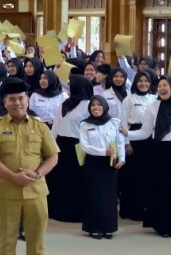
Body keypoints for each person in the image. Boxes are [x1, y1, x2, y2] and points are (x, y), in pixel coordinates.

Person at [0, 78, 59, 255]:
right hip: (7, 191)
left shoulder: (40, 127)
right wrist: (13, 176)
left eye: (20, 98)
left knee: (36, 238)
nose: (17, 103)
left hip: (36, 191)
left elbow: (53, 156)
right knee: (8, 238)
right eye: (12, 99)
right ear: (5, 102)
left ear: (27, 100)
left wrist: (38, 174)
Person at [127, 76, 171, 237]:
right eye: (159, 85)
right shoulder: (153, 107)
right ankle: (165, 226)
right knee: (164, 190)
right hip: (162, 151)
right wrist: (126, 134)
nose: (161, 88)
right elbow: (145, 132)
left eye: (165, 85)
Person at [79, 96, 125, 239]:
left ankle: (108, 227)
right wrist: (103, 152)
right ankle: (94, 228)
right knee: (93, 195)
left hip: (110, 163)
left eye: (99, 105)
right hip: (93, 163)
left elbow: (120, 141)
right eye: (93, 105)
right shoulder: (85, 124)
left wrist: (122, 158)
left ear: (104, 106)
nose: (96, 107)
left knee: (108, 196)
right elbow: (84, 146)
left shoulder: (114, 122)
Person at [49, 75, 93, 222]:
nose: (69, 87)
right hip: (62, 144)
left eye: (71, 85)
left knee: (77, 180)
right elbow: (56, 125)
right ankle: (60, 211)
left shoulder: (89, 104)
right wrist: (51, 144)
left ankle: (77, 213)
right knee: (61, 179)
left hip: (79, 145)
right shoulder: (65, 102)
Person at [118, 70, 156, 221]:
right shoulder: (129, 99)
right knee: (133, 176)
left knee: (148, 175)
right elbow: (123, 122)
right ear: (135, 83)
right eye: (140, 81)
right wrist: (126, 143)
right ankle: (132, 210)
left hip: (151, 139)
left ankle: (148, 210)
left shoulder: (155, 98)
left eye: (146, 81)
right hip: (133, 138)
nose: (143, 84)